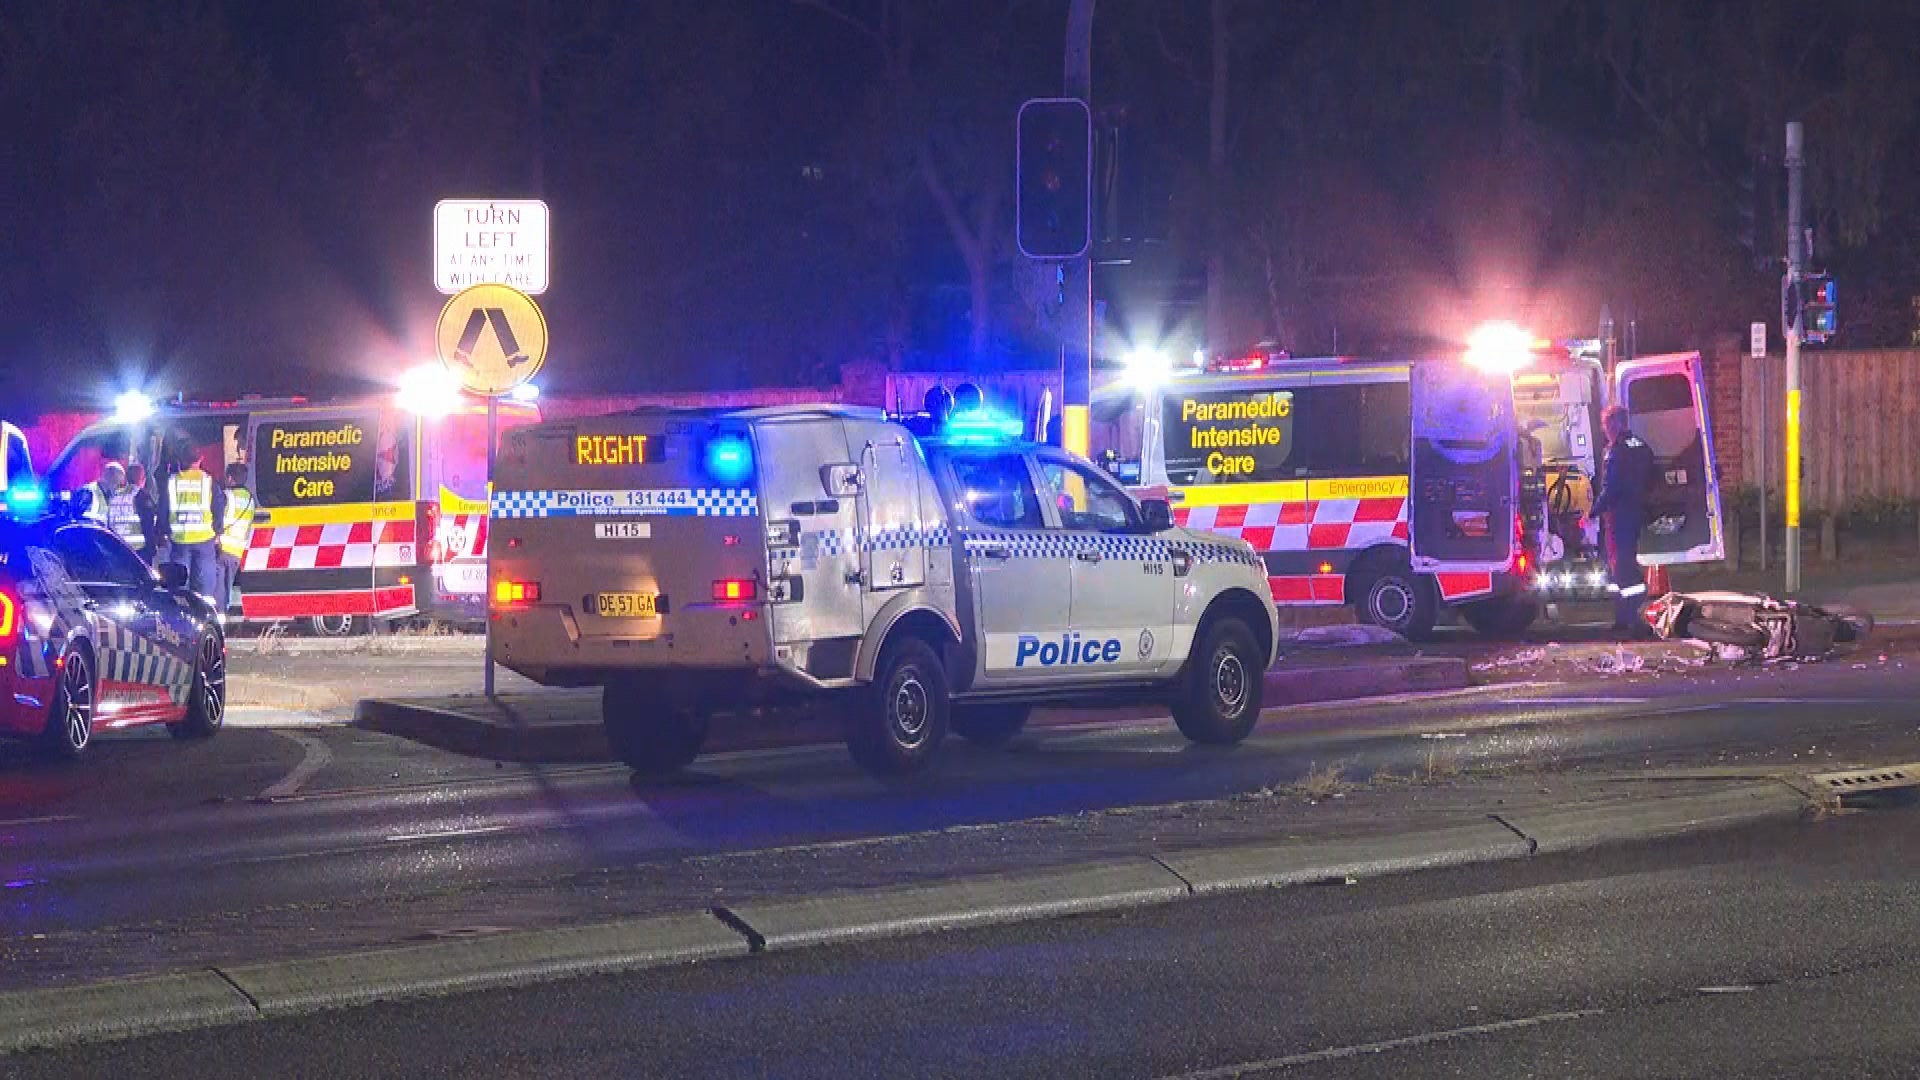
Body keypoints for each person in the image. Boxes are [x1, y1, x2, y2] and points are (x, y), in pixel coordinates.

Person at [1588, 404, 1655, 636]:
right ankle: (1624, 617)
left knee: (1622, 567)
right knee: (1621, 565)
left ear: (1615, 424)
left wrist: (1593, 512)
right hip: (1634, 512)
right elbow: (1651, 476)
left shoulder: (1616, 451)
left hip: (1618, 516)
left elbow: (1611, 488)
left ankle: (1633, 618)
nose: (1605, 430)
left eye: (1606, 425)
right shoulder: (1641, 446)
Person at [162, 450, 226, 602]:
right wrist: (218, 531)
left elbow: (163, 508)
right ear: (200, 459)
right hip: (204, 539)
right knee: (205, 584)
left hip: (180, 539)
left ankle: (182, 612)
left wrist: (164, 531)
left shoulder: (172, 481)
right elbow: (218, 507)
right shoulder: (209, 481)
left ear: (181, 459)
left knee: (180, 582)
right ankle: (205, 613)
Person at [217, 462, 255, 613]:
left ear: (230, 478)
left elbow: (216, 518)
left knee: (217, 590)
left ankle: (218, 619)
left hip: (222, 548)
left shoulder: (226, 495)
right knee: (227, 589)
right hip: (238, 551)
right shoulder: (250, 500)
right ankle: (224, 615)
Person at [125, 462, 165, 562]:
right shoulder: (142, 497)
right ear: (142, 479)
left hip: (120, 547)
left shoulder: (116, 495)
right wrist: (152, 547)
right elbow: (147, 525)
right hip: (140, 549)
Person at [81, 461, 125, 526]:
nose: (116, 487)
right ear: (106, 476)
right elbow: (81, 521)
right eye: (116, 481)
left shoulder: (109, 496)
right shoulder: (88, 492)